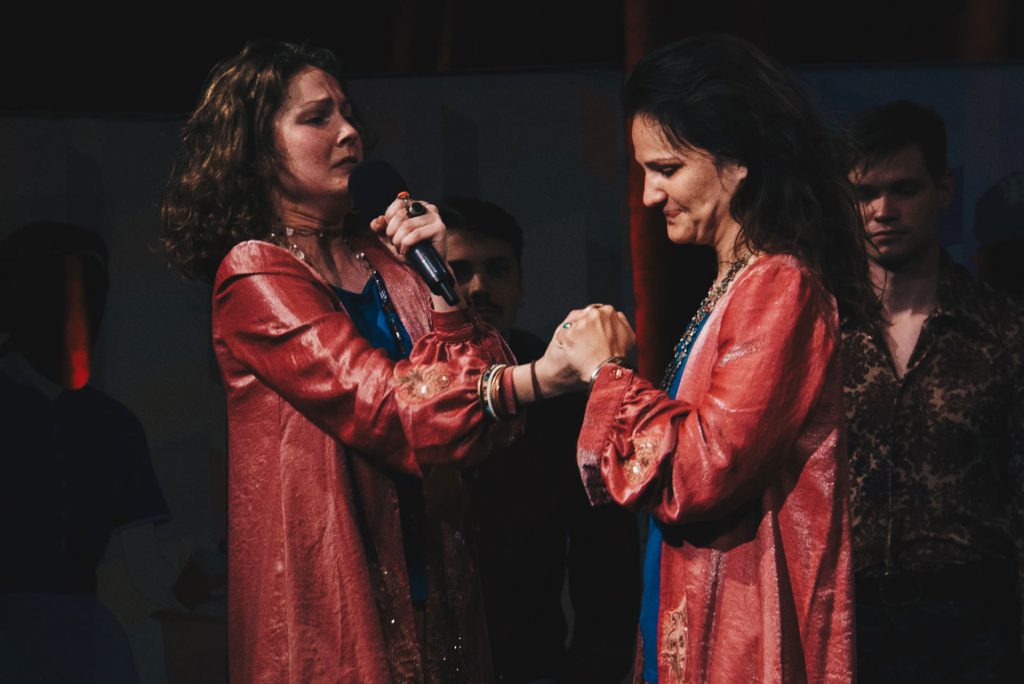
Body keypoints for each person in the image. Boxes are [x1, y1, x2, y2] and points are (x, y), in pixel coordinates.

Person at [160, 41, 576, 683]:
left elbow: (490, 416)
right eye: (317, 117)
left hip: (436, 586)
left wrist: (443, 284)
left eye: (348, 113)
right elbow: (382, 405)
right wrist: (536, 378)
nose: (349, 132)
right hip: (334, 596)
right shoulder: (255, 273)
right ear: (256, 150)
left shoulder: (387, 258)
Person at [552, 35, 876, 682]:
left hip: (740, 630)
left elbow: (702, 472)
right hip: (691, 600)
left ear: (737, 160)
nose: (650, 195)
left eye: (667, 169)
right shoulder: (736, 285)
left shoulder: (779, 285)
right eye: (645, 172)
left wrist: (606, 375)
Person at [845, 101, 1024, 681]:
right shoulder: (820, 334)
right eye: (865, 193)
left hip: (974, 626)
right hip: (849, 624)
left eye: (905, 189)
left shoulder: (1003, 331)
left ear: (944, 190)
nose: (883, 210)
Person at [440, 196, 641, 683]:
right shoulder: (398, 381)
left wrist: (591, 673)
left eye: (498, 270)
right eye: (458, 272)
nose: (479, 287)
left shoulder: (564, 394)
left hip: (534, 663)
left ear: (521, 285)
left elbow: (606, 560)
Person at [0, 221, 172, 683]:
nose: (81, 321)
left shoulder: (114, 426)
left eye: (93, 301)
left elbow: (147, 569)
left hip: (84, 647)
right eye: (60, 298)